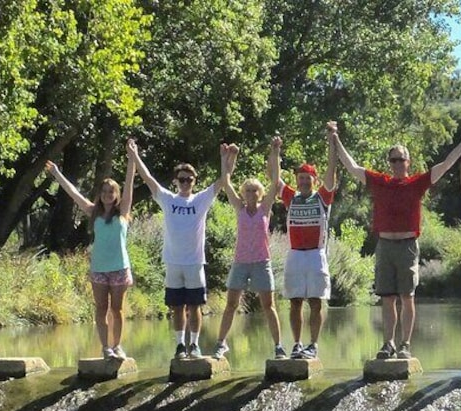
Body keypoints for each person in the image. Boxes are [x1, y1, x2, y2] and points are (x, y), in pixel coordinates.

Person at [333, 127, 461, 359]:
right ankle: (388, 343)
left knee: (407, 296)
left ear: (408, 162)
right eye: (393, 160)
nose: (397, 163)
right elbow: (352, 166)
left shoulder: (416, 183)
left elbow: (446, 165)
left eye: (401, 159)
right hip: (385, 245)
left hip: (408, 245)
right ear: (389, 163)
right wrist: (335, 139)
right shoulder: (380, 182)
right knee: (387, 297)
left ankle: (405, 344)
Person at [127, 139, 226, 360]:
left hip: (194, 263)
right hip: (173, 262)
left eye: (189, 179)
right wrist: (134, 155)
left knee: (195, 305)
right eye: (182, 179)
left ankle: (195, 345)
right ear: (176, 182)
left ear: (194, 181)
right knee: (177, 307)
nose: (185, 183)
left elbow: (222, 182)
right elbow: (148, 179)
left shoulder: (200, 200)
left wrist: (224, 159)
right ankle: (180, 345)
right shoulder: (168, 199)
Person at [44, 140, 135, 360]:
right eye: (104, 191)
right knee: (101, 309)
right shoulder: (93, 211)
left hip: (120, 268)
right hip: (99, 269)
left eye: (111, 191)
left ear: (116, 194)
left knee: (118, 310)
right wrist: (57, 173)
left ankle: (118, 346)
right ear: (100, 194)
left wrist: (132, 158)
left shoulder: (122, 212)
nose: (107, 194)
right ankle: (106, 348)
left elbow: (130, 182)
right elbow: (73, 193)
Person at [211, 143, 287, 361]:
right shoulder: (239, 207)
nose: (251, 193)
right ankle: (220, 343)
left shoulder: (266, 208)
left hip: (262, 262)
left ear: (261, 193)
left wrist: (275, 153)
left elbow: (275, 181)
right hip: (241, 262)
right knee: (231, 305)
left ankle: (279, 347)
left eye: (255, 190)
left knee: (268, 306)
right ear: (243, 193)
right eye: (248, 190)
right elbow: (225, 182)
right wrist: (224, 158)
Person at [272, 122, 338, 360]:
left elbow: (331, 170)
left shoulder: (322, 196)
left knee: (316, 301)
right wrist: (275, 151)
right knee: (295, 301)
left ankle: (313, 345)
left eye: (307, 178)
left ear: (313, 179)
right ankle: (297, 345)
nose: (303, 182)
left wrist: (332, 140)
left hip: (316, 254)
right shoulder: (290, 197)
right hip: (295, 254)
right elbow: (274, 178)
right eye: (300, 178)